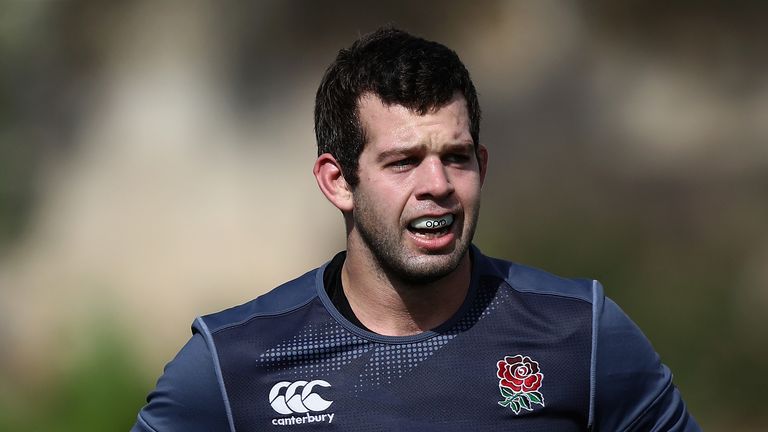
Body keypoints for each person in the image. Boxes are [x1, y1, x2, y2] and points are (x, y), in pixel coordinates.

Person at [132, 27, 699, 431]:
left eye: (456, 157)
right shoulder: (233, 365)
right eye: (403, 162)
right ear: (338, 182)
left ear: (482, 165)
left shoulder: (582, 333)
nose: (439, 184)